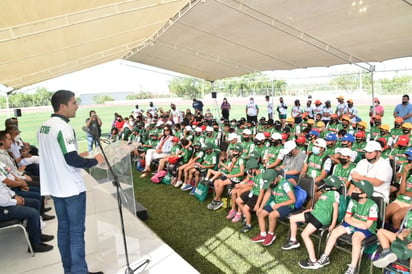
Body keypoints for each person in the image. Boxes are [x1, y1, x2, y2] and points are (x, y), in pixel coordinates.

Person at [37, 90, 105, 274]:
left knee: (64, 230)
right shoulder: (63, 127)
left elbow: (58, 155)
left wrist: (78, 155)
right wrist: (95, 160)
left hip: (56, 188)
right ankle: (79, 272)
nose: (77, 106)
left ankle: (70, 270)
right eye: (74, 103)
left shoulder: (43, 126)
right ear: (63, 106)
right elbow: (71, 160)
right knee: (75, 233)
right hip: (71, 189)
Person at [316, 180, 378, 274]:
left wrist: (354, 220)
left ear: (364, 195)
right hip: (354, 224)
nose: (353, 191)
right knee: (335, 232)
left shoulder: (372, 205)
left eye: (356, 190)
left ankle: (353, 268)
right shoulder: (353, 201)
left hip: (368, 229)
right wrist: (359, 221)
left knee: (356, 238)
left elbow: (367, 225)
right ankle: (325, 257)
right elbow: (347, 218)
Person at [282, 175, 341, 269]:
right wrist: (309, 209)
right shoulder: (324, 193)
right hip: (314, 213)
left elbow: (336, 210)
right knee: (292, 218)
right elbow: (319, 205)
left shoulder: (334, 193)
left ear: (334, 187)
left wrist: (333, 224)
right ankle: (293, 241)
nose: (325, 185)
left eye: (328, 184)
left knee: (305, 234)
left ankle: (313, 261)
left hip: (321, 218)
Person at [0, 179, 54, 253]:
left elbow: (3, 187)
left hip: (7, 201)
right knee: (33, 214)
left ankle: (38, 235)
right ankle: (35, 245)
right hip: (3, 208)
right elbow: (2, 201)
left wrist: (14, 196)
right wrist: (16, 201)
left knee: (35, 203)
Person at [251, 169, 296, 246]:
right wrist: (260, 207)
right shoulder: (272, 183)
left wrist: (279, 205)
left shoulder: (285, 184)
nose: (269, 184)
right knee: (260, 213)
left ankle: (271, 234)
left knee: (272, 215)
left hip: (287, 205)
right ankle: (263, 234)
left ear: (276, 178)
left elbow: (293, 200)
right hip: (276, 202)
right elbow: (267, 194)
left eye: (270, 182)